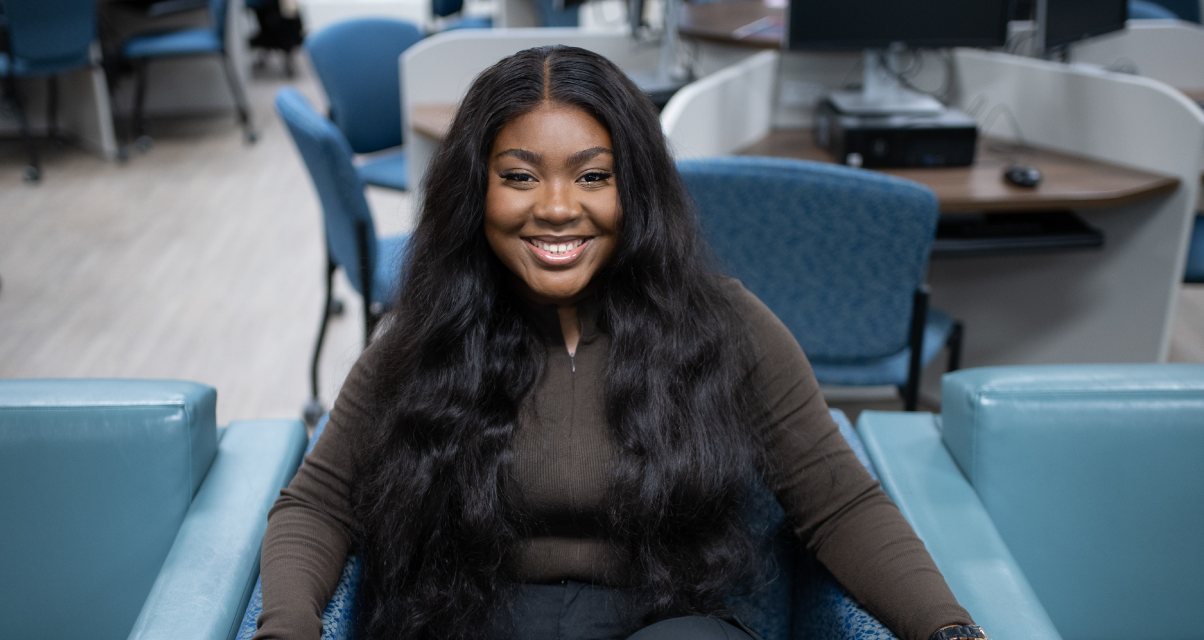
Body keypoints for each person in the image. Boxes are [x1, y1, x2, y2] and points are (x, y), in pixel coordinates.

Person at [255, 45, 981, 640]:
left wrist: (950, 631)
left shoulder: (721, 321)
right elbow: (317, 505)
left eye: (593, 176)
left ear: (633, 190)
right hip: (472, 620)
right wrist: (287, 628)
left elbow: (840, 505)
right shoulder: (427, 328)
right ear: (477, 193)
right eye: (519, 178)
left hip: (659, 625)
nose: (558, 208)